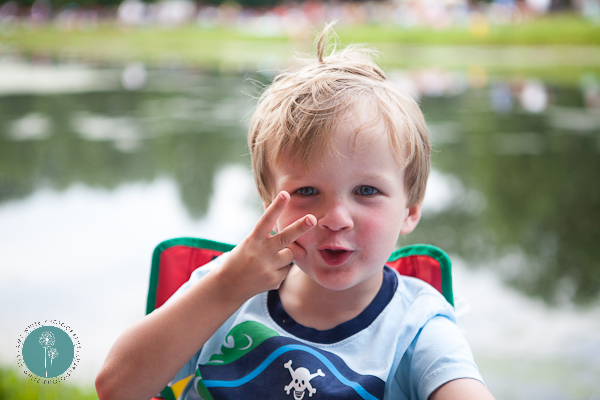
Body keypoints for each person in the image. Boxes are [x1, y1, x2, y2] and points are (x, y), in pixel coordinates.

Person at [96, 23, 495, 400]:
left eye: (367, 191)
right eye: (306, 191)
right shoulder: (223, 291)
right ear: (269, 202)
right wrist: (225, 288)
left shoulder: (417, 326)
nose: (335, 218)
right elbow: (116, 388)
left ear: (410, 209)